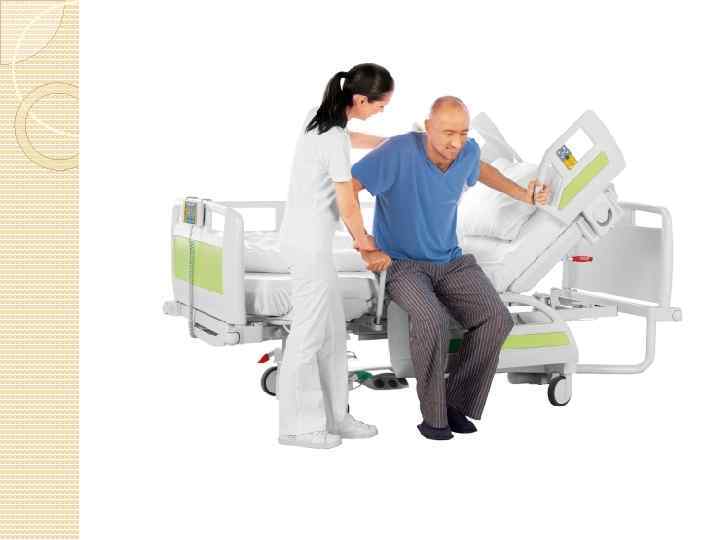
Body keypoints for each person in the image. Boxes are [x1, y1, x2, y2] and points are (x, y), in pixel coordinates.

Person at [350, 96, 551, 440]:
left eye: (463, 133)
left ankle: (456, 402)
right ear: (428, 127)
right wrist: (365, 244)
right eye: (447, 133)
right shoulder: (398, 151)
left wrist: (524, 194)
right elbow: (347, 187)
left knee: (496, 318)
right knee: (432, 320)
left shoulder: (467, 152)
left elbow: (483, 170)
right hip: (402, 264)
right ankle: (434, 417)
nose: (456, 143)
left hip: (451, 261)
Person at [277, 64, 394, 449]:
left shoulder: (321, 117)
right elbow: (348, 203)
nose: (381, 110)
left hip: (309, 242)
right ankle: (297, 427)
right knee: (308, 336)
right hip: (308, 246)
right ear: (360, 99)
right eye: (379, 105)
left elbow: (347, 137)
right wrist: (365, 243)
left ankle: (336, 417)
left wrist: (384, 142)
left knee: (332, 332)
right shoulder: (333, 139)